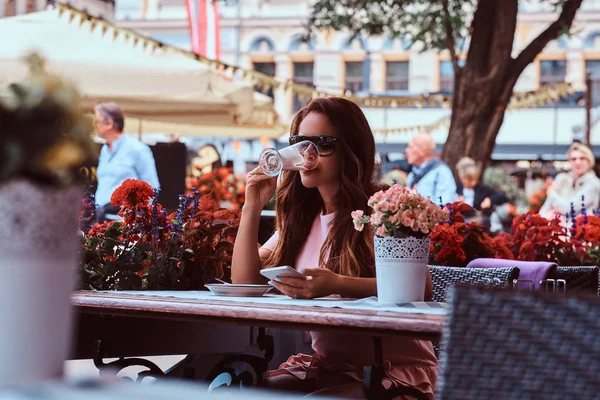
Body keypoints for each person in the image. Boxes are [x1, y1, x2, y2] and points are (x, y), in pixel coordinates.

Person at [231, 98, 437, 398]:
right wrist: (252, 206)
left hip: (397, 372)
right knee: (247, 394)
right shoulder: (301, 220)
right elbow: (244, 281)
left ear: (350, 150)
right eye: (300, 143)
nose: (308, 155)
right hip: (333, 368)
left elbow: (422, 289)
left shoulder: (379, 209)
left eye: (322, 143)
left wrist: (337, 283)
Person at [94, 102, 160, 222]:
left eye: (97, 122)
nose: (95, 126)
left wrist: (139, 221)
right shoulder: (105, 149)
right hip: (101, 219)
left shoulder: (138, 149)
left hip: (124, 223)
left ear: (109, 124)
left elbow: (152, 188)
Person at [539, 142, 600, 222]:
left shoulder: (593, 183)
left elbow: (569, 209)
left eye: (582, 158)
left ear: (589, 161)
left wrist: (551, 193)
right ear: (569, 161)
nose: (578, 162)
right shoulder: (563, 179)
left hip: (582, 232)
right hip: (559, 231)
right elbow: (545, 209)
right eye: (574, 159)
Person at [405, 133, 456, 205]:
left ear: (423, 150)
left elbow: (445, 206)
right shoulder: (412, 174)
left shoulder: (441, 172)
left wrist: (417, 201)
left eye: (410, 147)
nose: (407, 150)